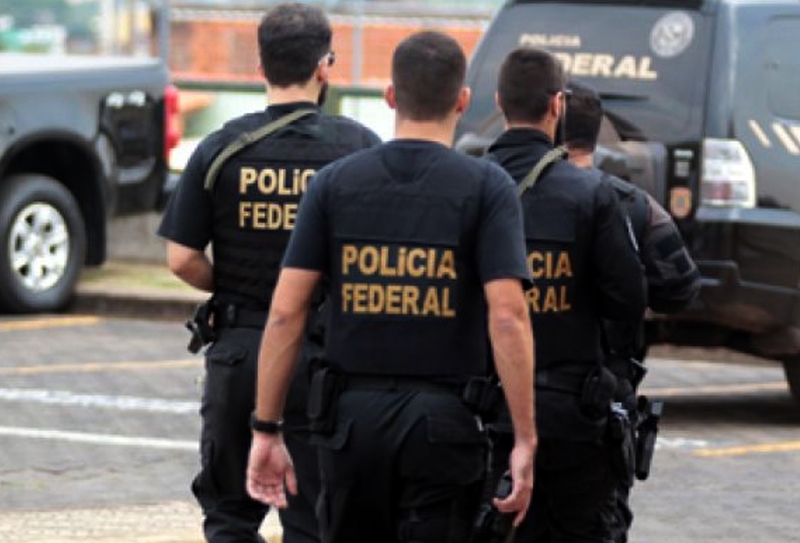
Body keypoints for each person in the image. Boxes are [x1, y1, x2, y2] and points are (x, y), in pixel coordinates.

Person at [245, 30, 537, 543]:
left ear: (390, 96)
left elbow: (286, 312)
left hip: (350, 424)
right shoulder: (488, 187)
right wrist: (525, 437)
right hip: (444, 425)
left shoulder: (334, 183)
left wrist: (266, 427)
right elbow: (508, 316)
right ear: (463, 101)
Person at [157, 4, 381, 543]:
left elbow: (182, 258)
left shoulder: (219, 148)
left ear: (260, 67)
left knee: (230, 518)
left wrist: (234, 284)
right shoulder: (359, 149)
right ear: (325, 66)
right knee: (316, 520)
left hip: (240, 351)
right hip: (323, 357)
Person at [485, 46, 647, 543]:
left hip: (483, 413)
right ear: (557, 105)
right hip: (572, 417)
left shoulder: (466, 185)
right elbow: (628, 301)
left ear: (498, 101)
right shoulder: (592, 194)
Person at [564, 80, 701, 543]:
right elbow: (681, 288)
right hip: (602, 398)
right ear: (596, 134)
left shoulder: (511, 195)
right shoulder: (632, 204)